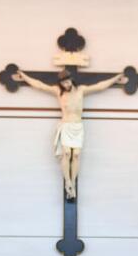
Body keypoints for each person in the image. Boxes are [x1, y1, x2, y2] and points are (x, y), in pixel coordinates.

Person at [12, 69, 128, 199]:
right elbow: (39, 85)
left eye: (67, 82)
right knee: (67, 154)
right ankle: (68, 182)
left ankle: (72, 182)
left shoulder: (81, 90)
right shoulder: (58, 92)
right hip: (66, 125)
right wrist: (24, 76)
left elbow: (100, 86)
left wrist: (116, 77)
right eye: (63, 83)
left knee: (77, 155)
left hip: (78, 127)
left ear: (71, 79)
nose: (65, 85)